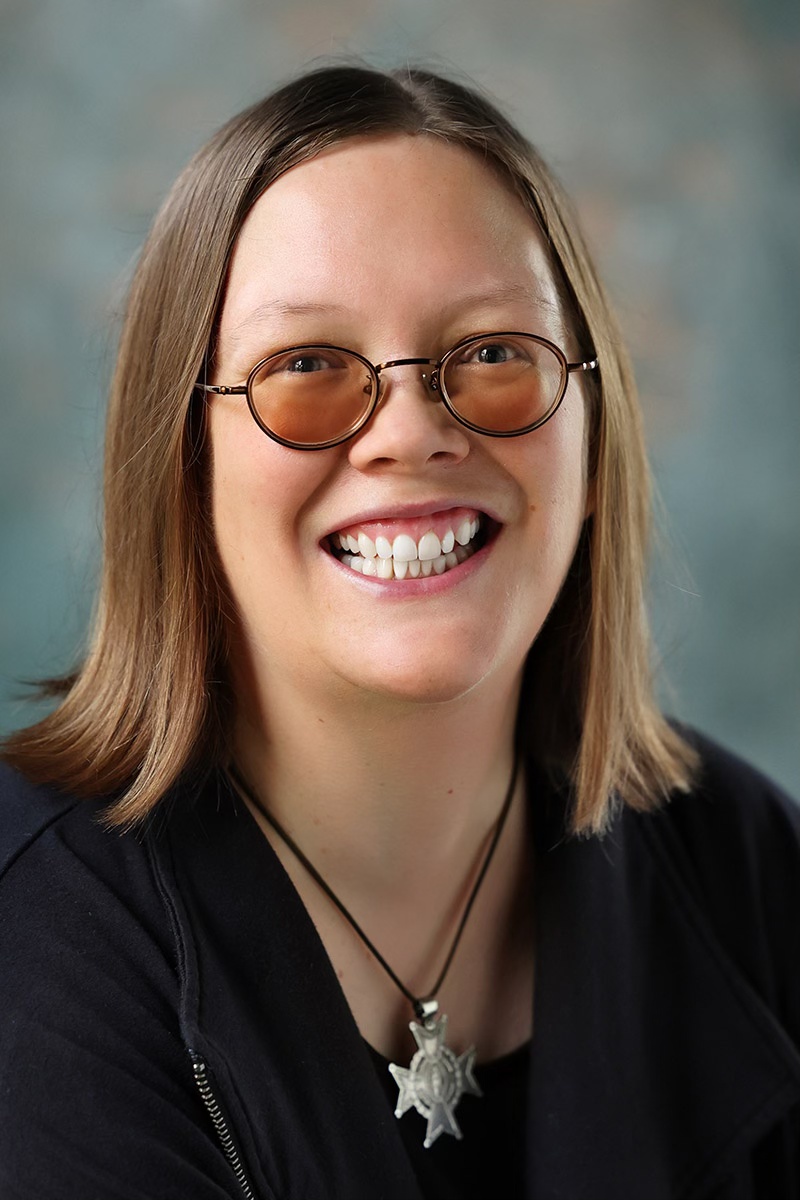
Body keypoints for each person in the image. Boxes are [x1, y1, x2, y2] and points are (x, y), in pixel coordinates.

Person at [0, 63, 798, 1200]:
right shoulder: (36, 948)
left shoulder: (741, 863)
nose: (409, 433)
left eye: (490, 354)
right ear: (183, 469)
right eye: (306, 368)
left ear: (590, 442)